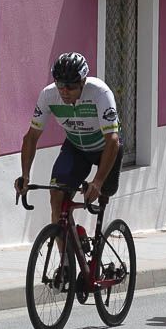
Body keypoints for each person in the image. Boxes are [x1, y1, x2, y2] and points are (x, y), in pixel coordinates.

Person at [16, 52, 123, 224]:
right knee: (57, 198)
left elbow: (112, 140)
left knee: (104, 191)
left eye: (71, 86)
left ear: (82, 82)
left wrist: (98, 181)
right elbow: (31, 138)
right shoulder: (48, 95)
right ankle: (66, 250)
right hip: (76, 148)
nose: (65, 91)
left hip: (105, 148)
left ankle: (98, 236)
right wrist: (25, 175)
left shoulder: (100, 93)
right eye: (60, 85)